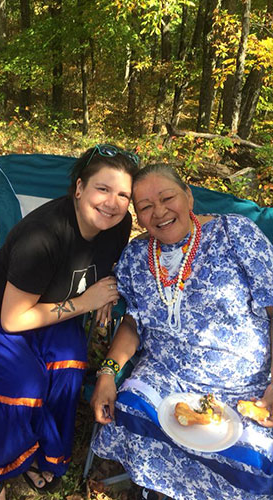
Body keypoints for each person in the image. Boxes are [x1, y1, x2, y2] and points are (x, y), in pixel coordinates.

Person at [0, 144, 139, 500]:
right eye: (103, 188)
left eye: (123, 194)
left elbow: (103, 261)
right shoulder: (42, 236)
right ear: (79, 187)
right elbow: (13, 320)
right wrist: (86, 302)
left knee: (70, 363)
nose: (112, 202)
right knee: (24, 383)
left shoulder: (118, 223)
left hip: (53, 313)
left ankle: (41, 451)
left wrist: (107, 290)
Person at [91, 163, 273, 500]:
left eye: (167, 197)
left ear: (188, 196)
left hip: (243, 384)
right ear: (138, 216)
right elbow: (132, 322)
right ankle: (158, 488)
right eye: (145, 207)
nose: (159, 212)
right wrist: (106, 373)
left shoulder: (236, 235)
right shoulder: (135, 257)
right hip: (166, 375)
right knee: (130, 408)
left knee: (257, 458)